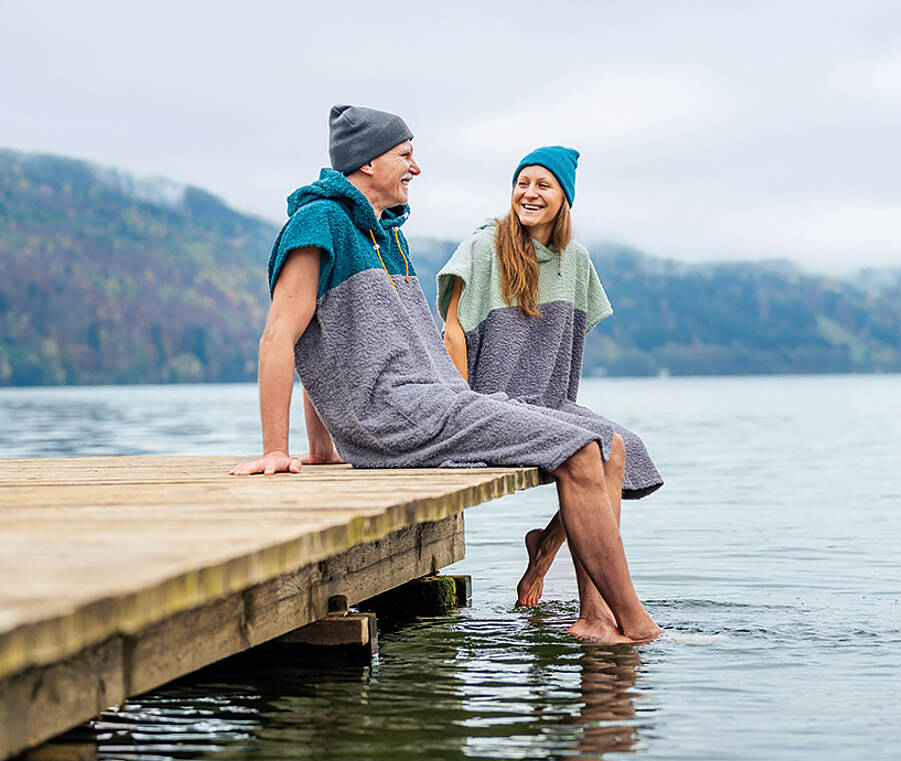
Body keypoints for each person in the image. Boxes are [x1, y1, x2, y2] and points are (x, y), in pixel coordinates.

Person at [229, 105, 660, 644]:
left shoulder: (383, 234)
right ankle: (637, 627)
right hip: (402, 416)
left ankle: (598, 618)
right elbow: (281, 336)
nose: (416, 167)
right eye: (406, 155)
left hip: (431, 405)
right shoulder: (319, 223)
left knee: (597, 441)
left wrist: (322, 448)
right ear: (367, 163)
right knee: (577, 449)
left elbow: (328, 344)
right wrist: (276, 448)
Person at [437, 146, 662, 608]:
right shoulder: (483, 247)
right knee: (591, 449)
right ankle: (596, 611)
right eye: (523, 183)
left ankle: (545, 557)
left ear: (564, 198)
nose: (529, 193)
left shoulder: (573, 259)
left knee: (622, 446)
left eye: (543, 185)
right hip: (489, 400)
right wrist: (458, 403)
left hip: (547, 400)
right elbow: (452, 331)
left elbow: (569, 338)